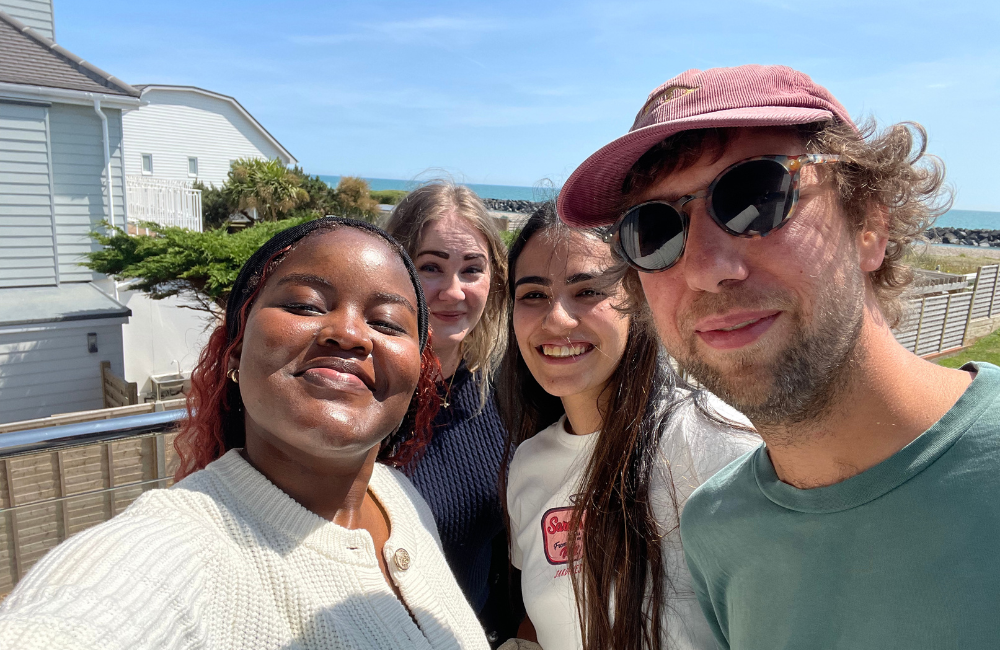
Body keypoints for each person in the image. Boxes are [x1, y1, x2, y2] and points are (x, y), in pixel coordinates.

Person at [557, 64, 1000, 649]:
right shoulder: (717, 529)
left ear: (868, 223)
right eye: (652, 231)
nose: (708, 268)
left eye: (755, 197)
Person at [0, 217, 490, 650]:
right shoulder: (178, 554)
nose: (349, 333)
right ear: (234, 352)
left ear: (417, 377)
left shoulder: (401, 498)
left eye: (386, 322)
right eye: (304, 305)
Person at [499, 204, 758, 650]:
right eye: (534, 295)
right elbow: (544, 624)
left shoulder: (713, 442)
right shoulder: (528, 464)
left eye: (587, 291)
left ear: (637, 300)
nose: (556, 319)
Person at [382, 182, 515, 641]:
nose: (453, 292)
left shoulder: (505, 389)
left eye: (471, 269)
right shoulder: (363, 394)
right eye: (431, 268)